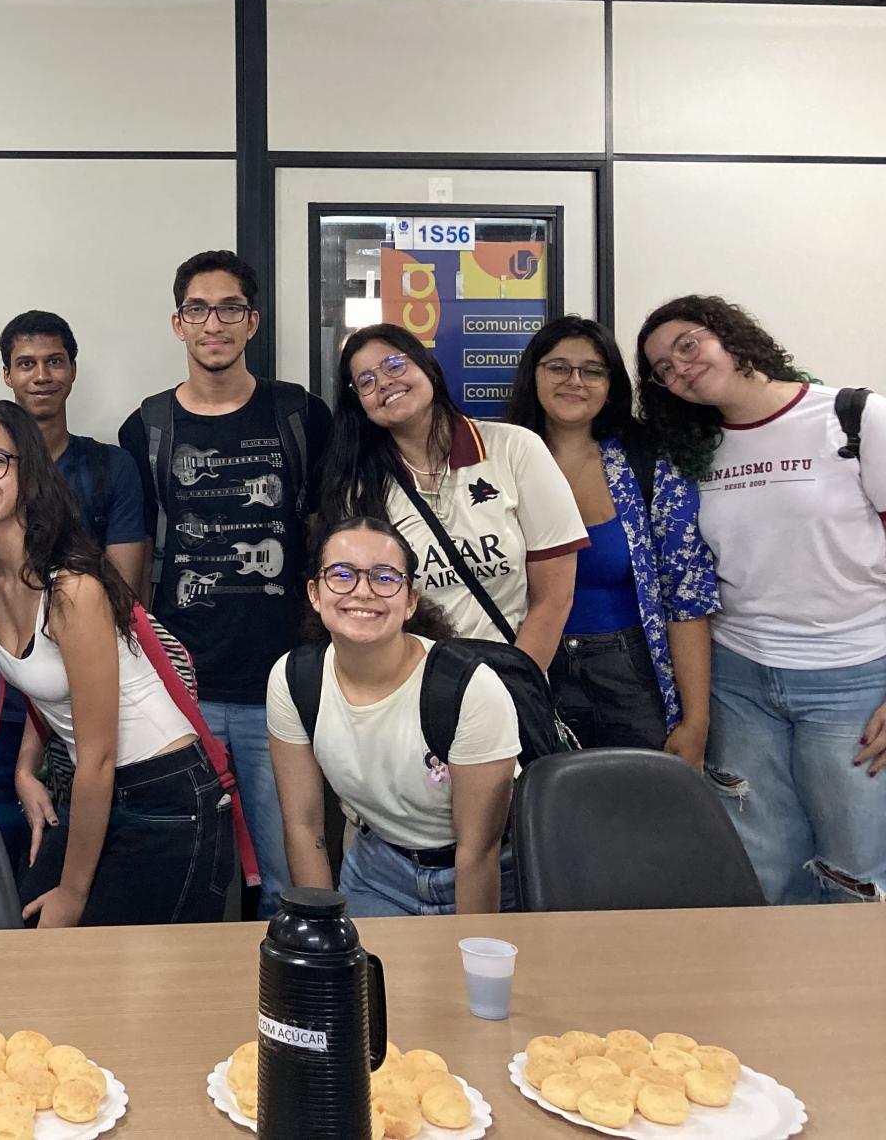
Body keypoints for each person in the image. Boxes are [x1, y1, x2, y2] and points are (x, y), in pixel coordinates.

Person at [0, 401, 232, 927]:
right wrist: (26, 769)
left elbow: (97, 753)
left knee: (109, 986)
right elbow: (48, 688)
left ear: (30, 473)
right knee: (29, 941)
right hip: (102, 791)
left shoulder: (72, 589)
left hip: (166, 798)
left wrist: (72, 894)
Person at [637, 295, 886, 905]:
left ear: (728, 334)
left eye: (687, 345)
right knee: (763, 869)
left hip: (852, 678)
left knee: (854, 871)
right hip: (740, 681)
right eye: (663, 370)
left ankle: (850, 1001)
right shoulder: (695, 450)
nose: (680, 369)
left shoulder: (853, 417)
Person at [116, 250, 332, 913]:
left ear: (253, 321)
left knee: (288, 876)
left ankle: (291, 1005)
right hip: (181, 692)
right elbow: (136, 559)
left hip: (284, 688)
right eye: (199, 310)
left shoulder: (300, 416)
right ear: (178, 324)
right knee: (189, 876)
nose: (215, 324)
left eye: (230, 308)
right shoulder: (147, 428)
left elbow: (327, 543)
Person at [0, 310, 146, 861]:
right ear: (6, 375)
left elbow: (122, 602)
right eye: (25, 364)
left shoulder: (110, 469)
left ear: (73, 371)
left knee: (78, 870)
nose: (41, 375)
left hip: (84, 711)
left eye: (54, 361)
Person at [268, 517, 521, 916]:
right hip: (377, 873)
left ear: (410, 601)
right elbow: (303, 828)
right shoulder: (294, 679)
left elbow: (478, 850)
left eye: (385, 577)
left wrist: (471, 963)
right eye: (341, 574)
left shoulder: (468, 687)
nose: (362, 591)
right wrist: (325, 937)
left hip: (487, 875)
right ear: (315, 595)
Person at [504, 315, 717, 759]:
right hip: (530, 667)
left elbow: (686, 594)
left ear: (611, 382)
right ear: (534, 374)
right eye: (558, 367)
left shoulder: (648, 459)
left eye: (593, 370)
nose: (574, 381)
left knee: (643, 815)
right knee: (543, 817)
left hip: (630, 671)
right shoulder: (497, 461)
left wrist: (695, 720)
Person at [321, 325, 587, 667]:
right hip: (412, 684)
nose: (384, 382)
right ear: (359, 403)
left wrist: (516, 685)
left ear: (427, 368)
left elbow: (554, 597)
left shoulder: (514, 448)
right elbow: (365, 607)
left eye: (394, 364)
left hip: (510, 675)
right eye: (366, 381)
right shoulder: (357, 488)